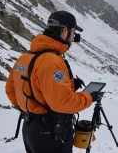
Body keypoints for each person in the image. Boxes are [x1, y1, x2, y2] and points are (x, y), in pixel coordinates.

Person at [5, 11, 101, 153]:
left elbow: (11, 89)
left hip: (31, 128)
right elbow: (63, 103)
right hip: (50, 133)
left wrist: (29, 109)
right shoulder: (51, 61)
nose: (74, 37)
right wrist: (90, 97)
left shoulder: (26, 57)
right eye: (73, 32)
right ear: (64, 31)